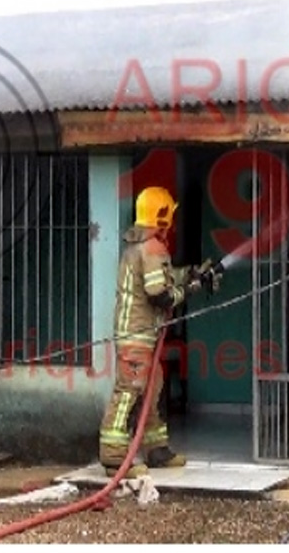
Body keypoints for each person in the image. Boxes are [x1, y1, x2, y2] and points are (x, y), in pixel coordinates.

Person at [98, 186, 215, 478]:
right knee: (130, 389)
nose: (172, 223)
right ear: (162, 217)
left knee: (153, 387)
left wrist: (191, 274)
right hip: (136, 334)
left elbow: (163, 276)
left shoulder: (142, 248)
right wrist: (190, 290)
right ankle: (113, 457)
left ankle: (156, 449)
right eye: (169, 216)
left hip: (139, 334)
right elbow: (159, 294)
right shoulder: (153, 248)